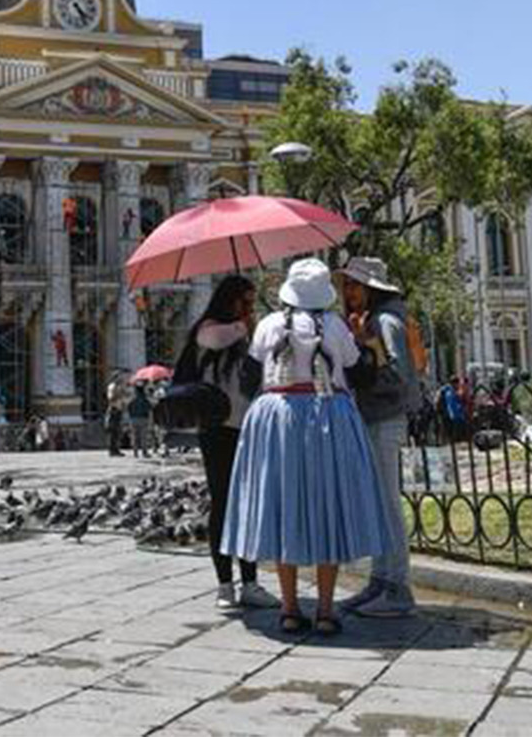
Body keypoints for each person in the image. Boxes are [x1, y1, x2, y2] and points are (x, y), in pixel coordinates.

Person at [222, 258, 396, 636]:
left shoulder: (268, 325)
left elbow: (250, 381)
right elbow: (360, 374)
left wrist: (252, 339)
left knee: (285, 507)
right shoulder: (334, 326)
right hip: (327, 415)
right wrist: (363, 343)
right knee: (327, 508)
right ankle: (326, 610)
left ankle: (288, 607)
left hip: (277, 419)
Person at [172, 274, 280, 612]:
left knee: (248, 505)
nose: (248, 308)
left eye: (251, 302)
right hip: (216, 428)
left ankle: (250, 581)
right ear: (227, 300)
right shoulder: (210, 329)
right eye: (243, 301)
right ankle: (224, 583)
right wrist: (247, 326)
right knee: (221, 502)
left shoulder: (246, 336)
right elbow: (215, 338)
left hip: (248, 427)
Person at [338, 256, 421, 617]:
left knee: (388, 505)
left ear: (371, 289)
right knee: (378, 503)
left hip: (386, 418)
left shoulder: (387, 321)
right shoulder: (370, 321)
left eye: (355, 286)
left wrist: (365, 373)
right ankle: (380, 580)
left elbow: (400, 374)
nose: (349, 293)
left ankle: (398, 587)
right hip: (372, 417)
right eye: (347, 286)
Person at [104, 373, 129, 457]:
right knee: (113, 431)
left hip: (118, 409)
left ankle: (116, 449)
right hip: (114, 410)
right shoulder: (112, 386)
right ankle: (112, 450)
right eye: (119, 377)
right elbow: (111, 398)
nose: (122, 379)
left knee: (118, 431)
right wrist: (119, 393)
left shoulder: (119, 386)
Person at [127, 380, 153, 458]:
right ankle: (144, 452)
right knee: (143, 437)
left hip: (133, 419)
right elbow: (150, 408)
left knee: (134, 436)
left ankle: (135, 452)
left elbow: (129, 408)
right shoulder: (145, 400)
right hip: (143, 419)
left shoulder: (132, 399)